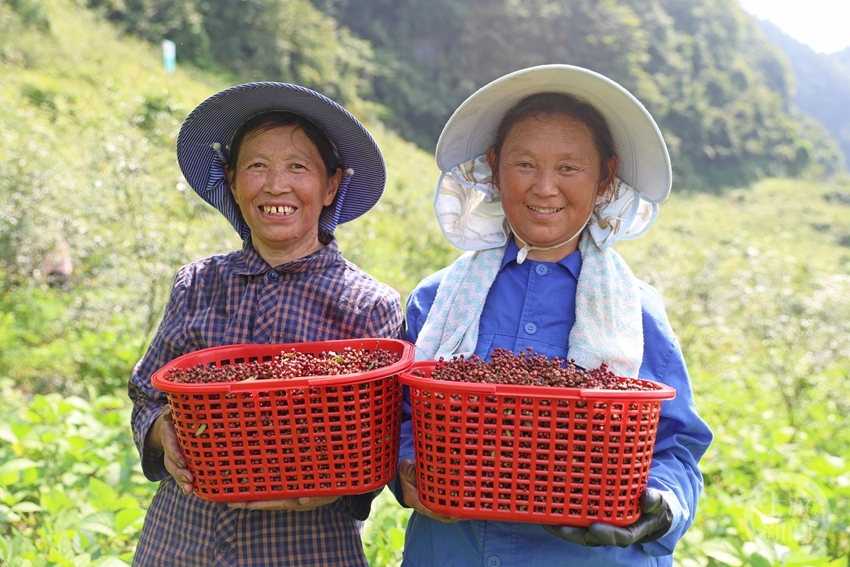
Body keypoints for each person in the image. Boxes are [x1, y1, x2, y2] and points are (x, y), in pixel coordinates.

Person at [393, 65, 713, 566]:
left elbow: (676, 447)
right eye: (524, 164)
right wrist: (408, 471)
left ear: (605, 175)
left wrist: (660, 504)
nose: (545, 188)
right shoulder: (437, 300)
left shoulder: (634, 310)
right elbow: (400, 419)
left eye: (569, 168)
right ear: (495, 167)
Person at [128, 82, 404, 566]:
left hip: (306, 548)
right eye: (257, 166)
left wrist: (337, 483)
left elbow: (382, 440)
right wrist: (161, 432)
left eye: (298, 167)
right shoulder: (198, 284)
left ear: (331, 185)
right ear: (233, 181)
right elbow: (148, 393)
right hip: (180, 539)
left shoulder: (367, 306)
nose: (276, 185)